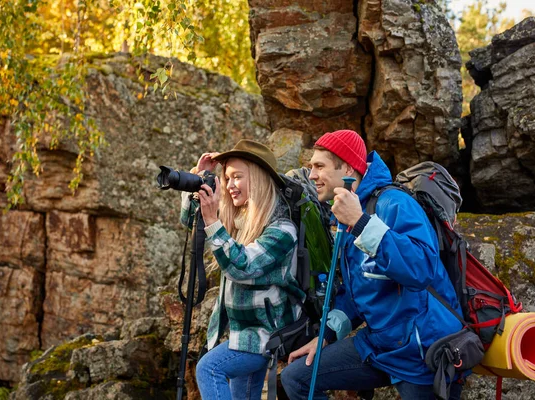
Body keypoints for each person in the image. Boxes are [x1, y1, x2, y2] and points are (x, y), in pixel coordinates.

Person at [280, 129, 464, 400]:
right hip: (380, 345)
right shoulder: (348, 214)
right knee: (296, 377)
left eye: (319, 166)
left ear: (347, 168)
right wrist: (326, 336)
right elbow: (359, 289)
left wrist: (362, 223)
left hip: (422, 350)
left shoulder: (394, 203)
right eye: (310, 167)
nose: (312, 175)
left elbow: (422, 269)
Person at [180, 139, 304, 400]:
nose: (229, 185)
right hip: (242, 332)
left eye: (237, 177)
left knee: (209, 368)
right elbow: (192, 221)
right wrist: (197, 178)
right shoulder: (240, 221)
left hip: (265, 335)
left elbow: (242, 266)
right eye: (226, 178)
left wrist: (213, 221)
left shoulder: (282, 230)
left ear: (258, 179)